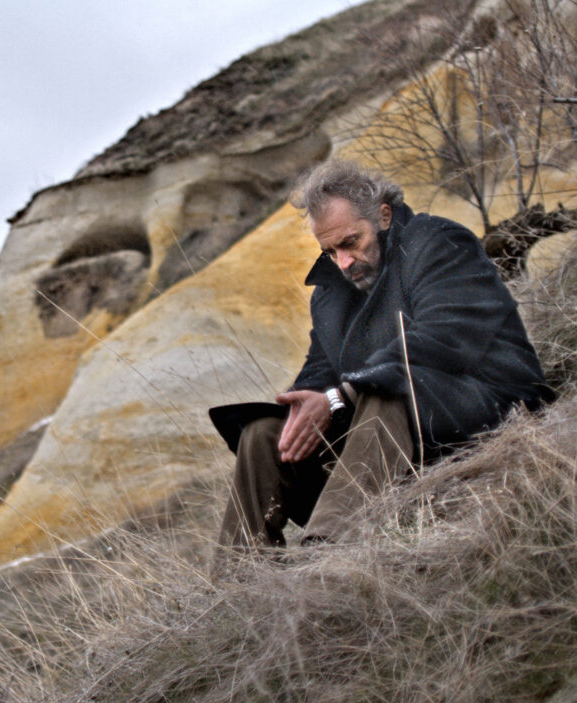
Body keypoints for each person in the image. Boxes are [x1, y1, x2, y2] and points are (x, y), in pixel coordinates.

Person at [217, 159, 553, 547]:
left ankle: (328, 550)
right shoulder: (330, 293)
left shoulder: (437, 241)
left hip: (487, 405)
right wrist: (307, 400)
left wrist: (339, 397)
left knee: (385, 392)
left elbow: (443, 336)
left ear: (384, 216)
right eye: (329, 251)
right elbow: (323, 367)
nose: (342, 262)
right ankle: (239, 575)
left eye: (350, 243)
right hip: (397, 434)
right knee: (265, 433)